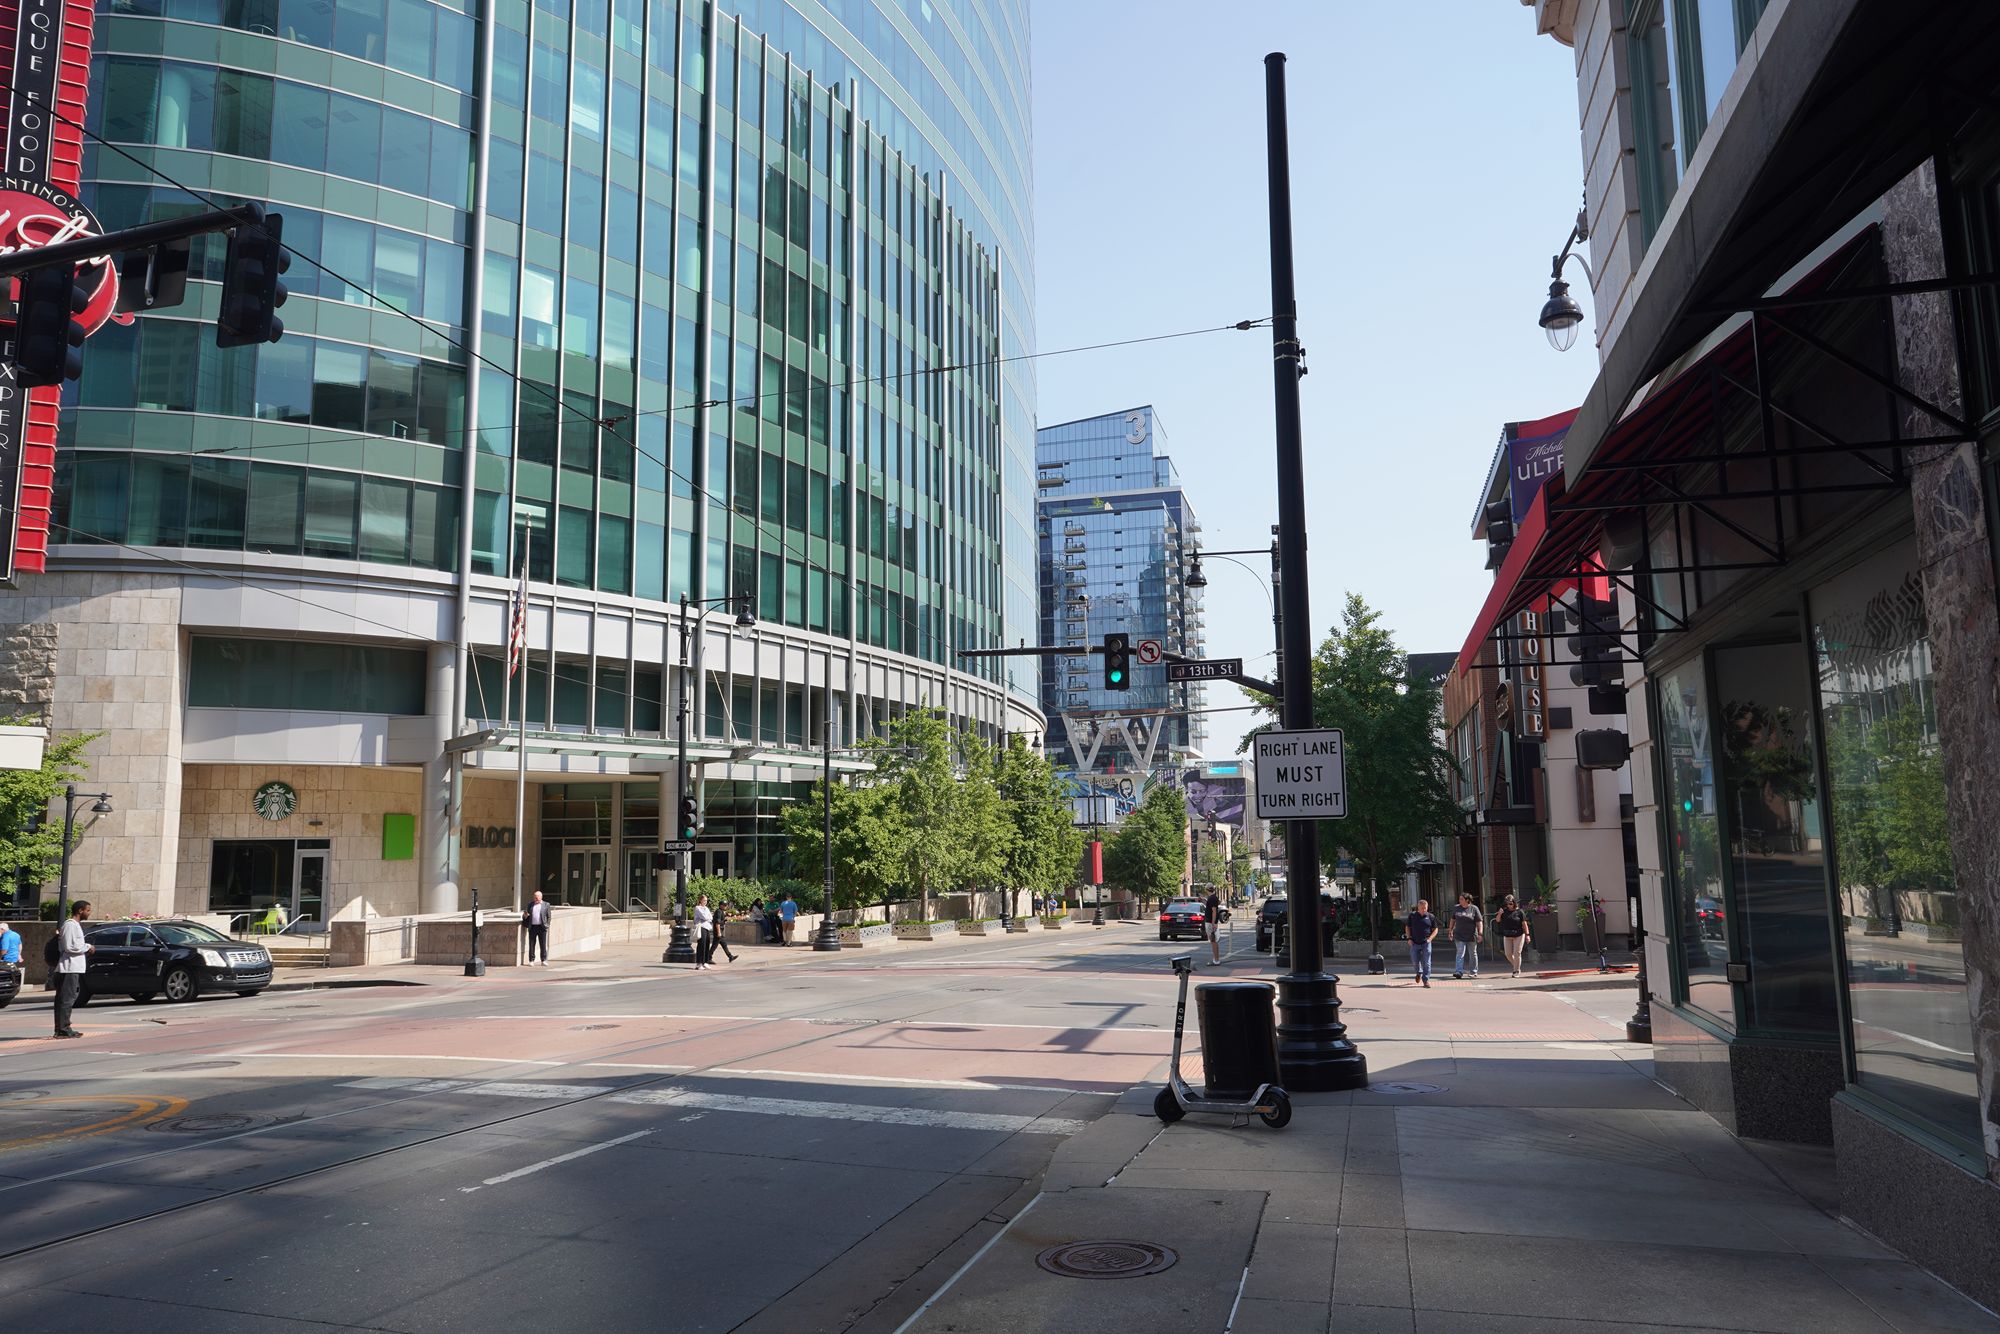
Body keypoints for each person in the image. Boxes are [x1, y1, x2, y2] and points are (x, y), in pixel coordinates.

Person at [53, 899, 93, 1037]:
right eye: (87, 910)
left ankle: (62, 1028)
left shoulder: (75, 925)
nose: (89, 913)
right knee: (66, 999)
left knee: (66, 998)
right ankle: (63, 1029)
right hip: (68, 967)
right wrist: (88, 947)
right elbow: (69, 947)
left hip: (73, 967)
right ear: (80, 911)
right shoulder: (70, 925)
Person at [1449, 892, 1484, 980]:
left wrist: (1480, 933)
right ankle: (1459, 971)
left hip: (1471, 935)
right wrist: (1450, 930)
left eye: (1461, 899)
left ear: (1467, 900)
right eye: (1459, 899)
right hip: (1459, 935)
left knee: (1473, 954)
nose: (1459, 900)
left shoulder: (1474, 908)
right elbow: (1452, 920)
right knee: (1460, 953)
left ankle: (1473, 972)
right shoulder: (1456, 908)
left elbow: (1479, 922)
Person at [1404, 897, 1438, 989]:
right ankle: (1418, 972)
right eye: (1422, 908)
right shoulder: (1412, 916)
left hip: (1426, 942)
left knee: (1427, 962)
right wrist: (1409, 938)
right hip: (1414, 942)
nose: (1424, 910)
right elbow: (1407, 927)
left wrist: (1430, 939)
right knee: (1415, 961)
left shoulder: (1430, 916)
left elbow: (1435, 929)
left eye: (1425, 908)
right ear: (1418, 908)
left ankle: (1426, 980)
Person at [1495, 895, 1529, 977]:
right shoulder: (1504, 911)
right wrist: (1499, 913)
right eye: (1507, 904)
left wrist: (1527, 935)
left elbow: (1524, 924)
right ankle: (1516, 966)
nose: (1508, 905)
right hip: (1507, 935)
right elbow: (1498, 920)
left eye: (1510, 903)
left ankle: (1516, 970)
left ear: (1514, 903)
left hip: (1519, 934)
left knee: (1517, 953)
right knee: (1508, 954)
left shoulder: (1520, 912)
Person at [522, 890, 553, 966]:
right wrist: (525, 915)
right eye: (534, 897)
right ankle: (531, 960)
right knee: (532, 944)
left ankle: (543, 960)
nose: (535, 899)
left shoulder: (546, 904)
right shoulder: (530, 904)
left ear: (541, 897)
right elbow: (526, 915)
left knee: (543, 944)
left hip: (542, 927)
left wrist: (547, 925)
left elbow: (549, 916)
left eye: (537, 897)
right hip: (532, 927)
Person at [692, 893, 715, 969]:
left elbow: (711, 918)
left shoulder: (706, 908)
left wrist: (707, 917)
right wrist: (707, 917)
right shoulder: (697, 908)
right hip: (701, 927)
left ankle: (705, 962)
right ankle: (699, 963)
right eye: (704, 900)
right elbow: (704, 917)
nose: (705, 902)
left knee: (707, 944)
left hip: (707, 927)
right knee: (701, 945)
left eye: (706, 900)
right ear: (700, 900)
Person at [1204, 887, 1223, 964]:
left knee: (1213, 940)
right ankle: (1216, 959)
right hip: (1211, 922)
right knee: (1214, 941)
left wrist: (1213, 923)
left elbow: (1214, 911)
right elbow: (1213, 907)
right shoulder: (1213, 898)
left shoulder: (1212, 898)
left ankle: (1216, 960)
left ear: (1206, 890)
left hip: (1210, 922)